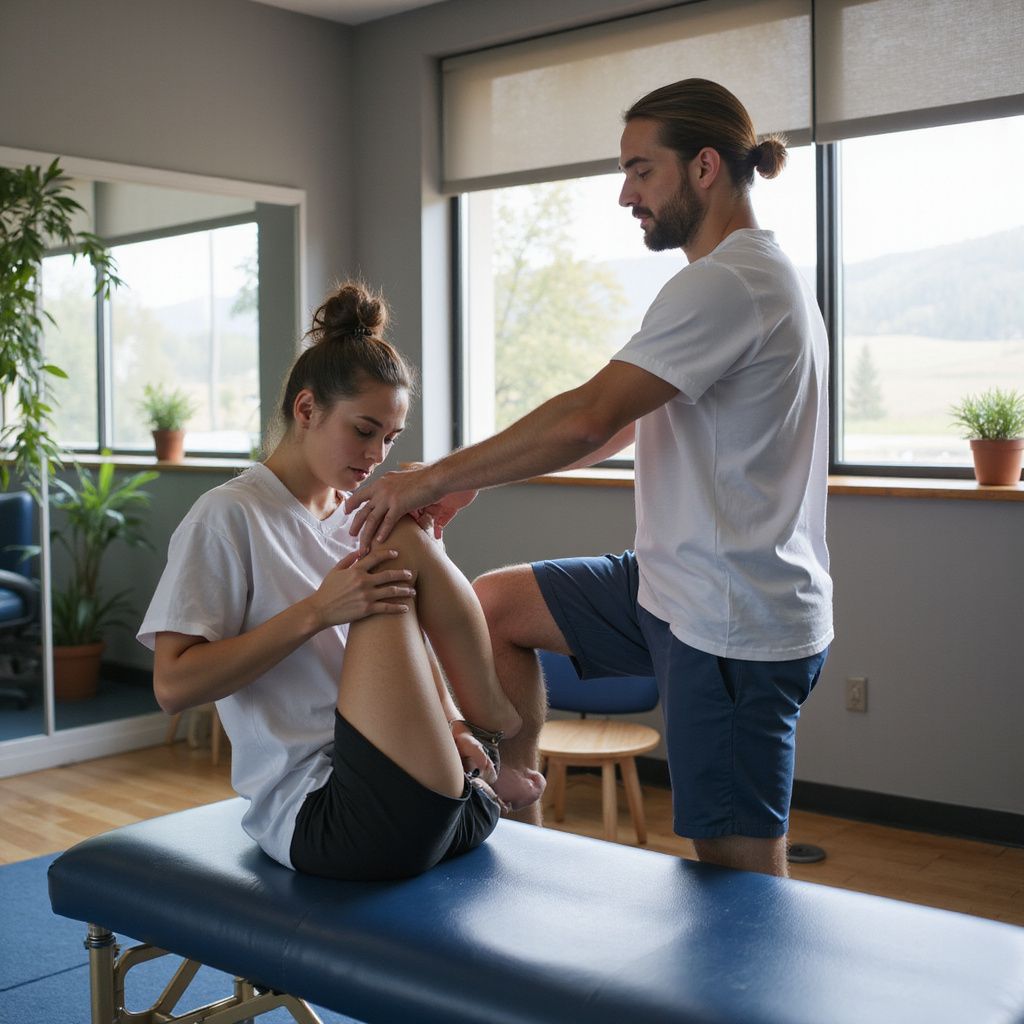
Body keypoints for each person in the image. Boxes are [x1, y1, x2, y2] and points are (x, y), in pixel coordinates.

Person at [344, 79, 833, 877]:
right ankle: (520, 823)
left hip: (732, 622)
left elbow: (588, 417)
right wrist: (475, 481)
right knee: (494, 607)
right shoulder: (742, 277)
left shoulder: (728, 283)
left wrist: (427, 481)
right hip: (674, 585)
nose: (624, 194)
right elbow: (626, 425)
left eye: (642, 170)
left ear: (704, 166)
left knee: (738, 879)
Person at [137, 280, 534, 882]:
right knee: (392, 542)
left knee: (394, 535)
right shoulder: (229, 516)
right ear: (306, 409)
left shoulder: (359, 514)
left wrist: (448, 725)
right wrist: (317, 612)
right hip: (331, 815)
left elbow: (399, 654)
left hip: (437, 799)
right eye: (364, 430)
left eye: (390, 438)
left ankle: (478, 729)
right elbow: (172, 686)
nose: (376, 454)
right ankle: (498, 724)